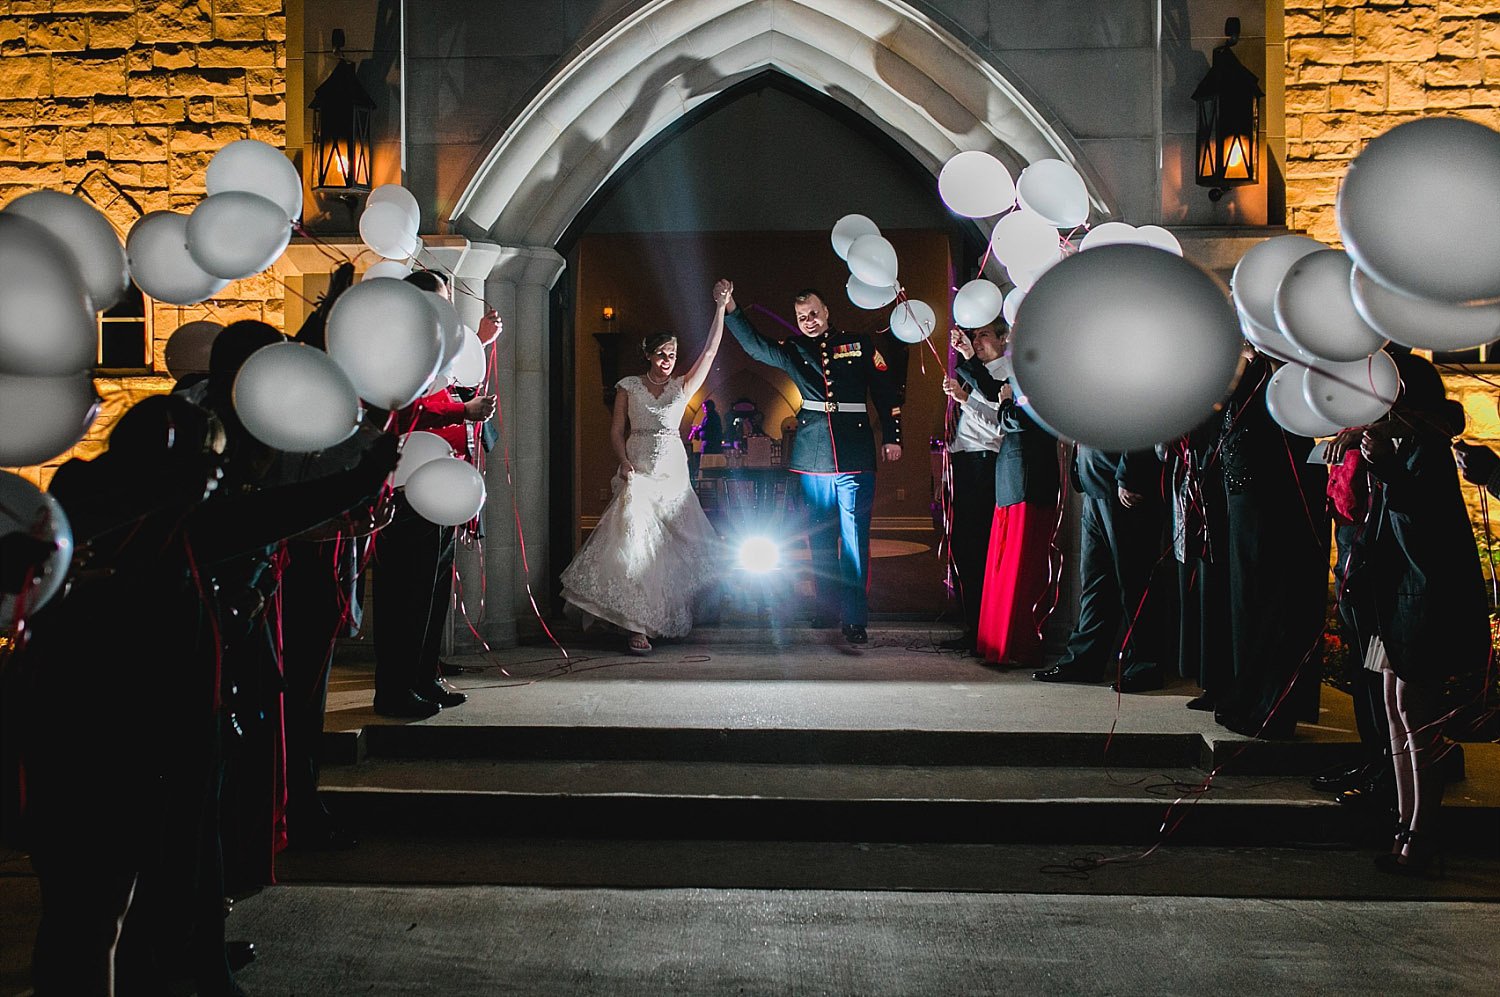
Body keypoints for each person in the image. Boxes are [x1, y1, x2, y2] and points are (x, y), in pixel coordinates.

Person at [1338, 351, 1489, 874]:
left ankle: (1422, 835)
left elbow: (1420, 526)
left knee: (1413, 711)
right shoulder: (1396, 443)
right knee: (1391, 706)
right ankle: (1403, 823)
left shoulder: (1426, 447)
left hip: (1421, 597)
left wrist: (1383, 465)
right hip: (1389, 596)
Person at [718, 281, 907, 644]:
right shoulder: (794, 349)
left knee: (854, 540)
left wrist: (892, 437)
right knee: (819, 539)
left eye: (813, 313)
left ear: (827, 312)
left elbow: (885, 392)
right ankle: (827, 608)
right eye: (802, 316)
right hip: (813, 456)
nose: (808, 321)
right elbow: (755, 346)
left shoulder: (859, 344)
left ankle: (854, 619)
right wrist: (731, 308)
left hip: (853, 454)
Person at [560, 282, 730, 653]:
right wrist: (623, 462)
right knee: (633, 543)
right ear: (649, 355)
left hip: (672, 473)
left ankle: (656, 617)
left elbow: (710, 350)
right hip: (637, 469)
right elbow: (616, 431)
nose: (668, 359)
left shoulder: (682, 386)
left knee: (667, 550)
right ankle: (636, 625)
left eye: (673, 354)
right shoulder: (628, 387)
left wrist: (720, 308)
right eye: (662, 353)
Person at [371, 268, 500, 718]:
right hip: (406, 487)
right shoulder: (393, 350)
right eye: (441, 300)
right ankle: (395, 689)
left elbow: (442, 393)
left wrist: (478, 353)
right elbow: (402, 411)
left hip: (439, 480)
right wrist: (463, 410)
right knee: (405, 593)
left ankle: (424, 676)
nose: (447, 308)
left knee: (432, 588)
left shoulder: (433, 350)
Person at [1214, 354, 1329, 738]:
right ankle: (1247, 695)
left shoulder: (1289, 371)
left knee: (1274, 602)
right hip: (1242, 499)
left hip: (1275, 498)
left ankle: (1272, 707)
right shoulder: (1246, 368)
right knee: (1246, 601)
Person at [1033, 443, 1167, 690]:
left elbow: (1140, 425)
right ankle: (1084, 660)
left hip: (1122, 487)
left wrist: (1130, 475)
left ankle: (1145, 666)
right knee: (1096, 582)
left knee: (1135, 581)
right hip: (1095, 485)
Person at [937, 325, 1003, 653]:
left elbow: (1000, 424)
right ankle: (972, 626)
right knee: (963, 550)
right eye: (974, 336)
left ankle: (983, 630)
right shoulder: (974, 372)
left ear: (1003, 339)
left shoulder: (1004, 374)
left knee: (978, 549)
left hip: (984, 464)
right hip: (965, 463)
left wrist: (964, 400)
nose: (977, 341)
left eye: (985, 335)